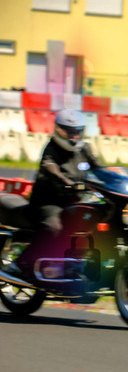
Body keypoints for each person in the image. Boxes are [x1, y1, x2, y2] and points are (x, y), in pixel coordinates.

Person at [7, 109, 103, 277]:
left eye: (78, 132)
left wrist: (123, 176)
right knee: (55, 227)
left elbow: (100, 168)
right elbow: (50, 166)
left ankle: (78, 264)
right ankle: (21, 262)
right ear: (59, 130)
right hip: (48, 202)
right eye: (70, 132)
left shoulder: (84, 148)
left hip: (75, 201)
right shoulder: (51, 149)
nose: (75, 136)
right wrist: (64, 180)